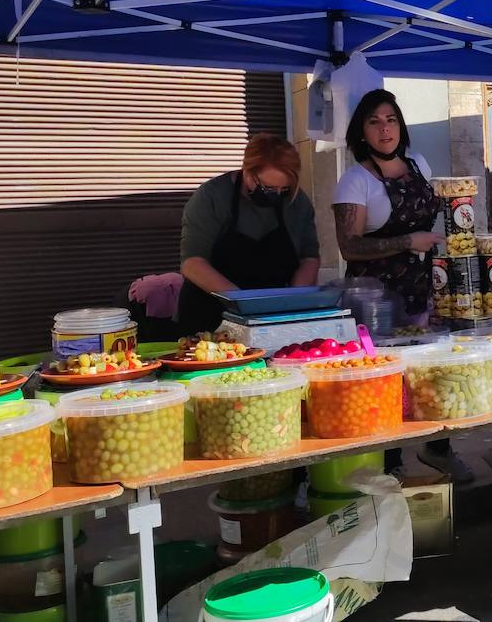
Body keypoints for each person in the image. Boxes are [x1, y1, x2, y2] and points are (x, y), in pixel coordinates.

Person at [332, 89, 471, 483]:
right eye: (374, 121)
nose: (384, 128)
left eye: (390, 119)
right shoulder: (355, 181)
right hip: (377, 299)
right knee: (387, 380)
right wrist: (408, 241)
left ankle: (439, 447)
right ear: (362, 132)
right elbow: (349, 246)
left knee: (433, 373)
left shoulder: (420, 165)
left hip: (424, 287)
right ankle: (388, 465)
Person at [178, 134, 320, 335]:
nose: (276, 195)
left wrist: (293, 301)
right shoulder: (212, 196)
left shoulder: (297, 203)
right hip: (209, 318)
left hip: (272, 318)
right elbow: (192, 263)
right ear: (247, 172)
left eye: (284, 189)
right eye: (268, 188)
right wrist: (243, 304)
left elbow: (309, 258)